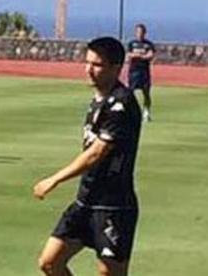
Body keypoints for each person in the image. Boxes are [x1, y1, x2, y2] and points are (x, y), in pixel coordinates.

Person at [33, 36, 143, 276]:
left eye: (97, 65)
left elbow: (96, 154)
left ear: (116, 68)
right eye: (87, 62)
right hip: (85, 202)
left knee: (109, 273)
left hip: (114, 206)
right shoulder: (97, 100)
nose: (88, 70)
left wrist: (55, 179)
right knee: (49, 262)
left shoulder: (121, 104)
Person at [126, 24, 156, 122]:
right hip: (133, 71)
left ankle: (146, 112)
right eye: (138, 32)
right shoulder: (132, 43)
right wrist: (136, 55)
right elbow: (128, 55)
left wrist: (141, 56)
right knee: (130, 92)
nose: (140, 34)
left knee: (146, 93)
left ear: (144, 33)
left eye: (141, 32)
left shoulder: (148, 44)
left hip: (144, 72)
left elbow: (150, 55)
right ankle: (130, 112)